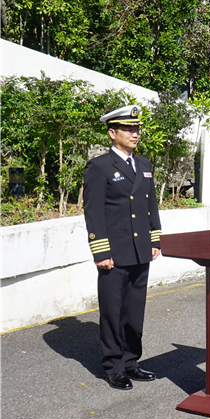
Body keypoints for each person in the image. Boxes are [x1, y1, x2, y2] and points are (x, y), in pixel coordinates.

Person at [83, 105, 162, 390]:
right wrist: (101, 252)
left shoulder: (143, 165)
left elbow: (150, 204)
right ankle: (114, 366)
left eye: (137, 129)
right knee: (113, 312)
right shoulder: (100, 166)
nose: (135, 133)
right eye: (128, 129)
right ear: (112, 132)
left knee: (134, 311)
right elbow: (93, 212)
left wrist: (155, 239)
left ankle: (131, 362)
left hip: (141, 250)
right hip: (115, 253)